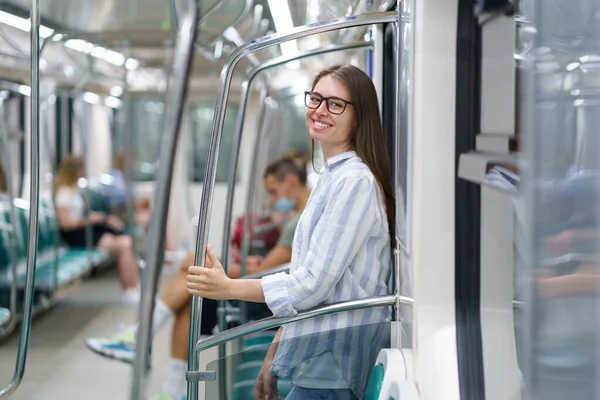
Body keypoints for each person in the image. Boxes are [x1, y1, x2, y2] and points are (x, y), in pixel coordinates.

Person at [187, 65, 395, 400]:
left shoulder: (354, 182)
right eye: (316, 99)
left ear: (359, 117)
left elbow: (311, 286)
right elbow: (308, 279)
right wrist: (276, 354)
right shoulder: (331, 176)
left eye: (335, 104)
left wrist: (228, 288)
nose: (320, 110)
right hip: (316, 358)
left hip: (333, 364)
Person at [85, 156, 311, 400]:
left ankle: (141, 338)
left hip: (266, 304)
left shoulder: (298, 219)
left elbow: (267, 269)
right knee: (192, 294)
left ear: (291, 181)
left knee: (193, 275)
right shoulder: (297, 217)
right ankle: (166, 381)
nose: (274, 200)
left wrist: (209, 265)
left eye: (274, 192)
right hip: (267, 293)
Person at [54, 154, 141, 304]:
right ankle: (129, 289)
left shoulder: (74, 190)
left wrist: (97, 217)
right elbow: (66, 223)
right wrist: (90, 219)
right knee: (124, 244)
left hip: (83, 229)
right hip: (74, 235)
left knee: (126, 241)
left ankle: (133, 287)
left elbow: (79, 215)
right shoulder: (64, 193)